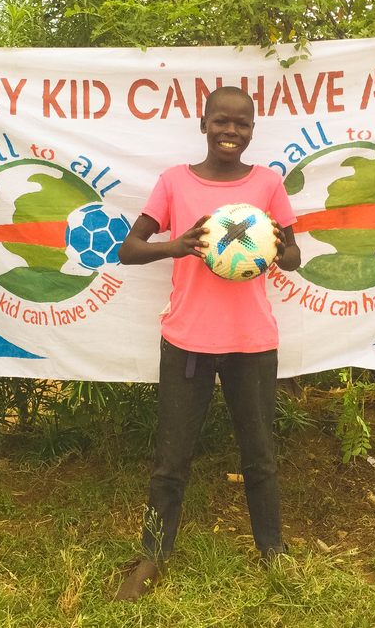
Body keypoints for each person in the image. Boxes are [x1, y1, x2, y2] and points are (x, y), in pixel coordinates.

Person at [113, 86, 301, 601]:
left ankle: (273, 550)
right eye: (221, 121)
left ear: (252, 131)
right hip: (187, 341)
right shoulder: (174, 182)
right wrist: (176, 246)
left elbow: (294, 258)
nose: (230, 131)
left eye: (242, 124)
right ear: (203, 123)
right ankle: (152, 556)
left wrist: (279, 247)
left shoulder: (268, 184)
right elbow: (129, 249)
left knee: (260, 456)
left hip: (251, 341)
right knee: (171, 460)